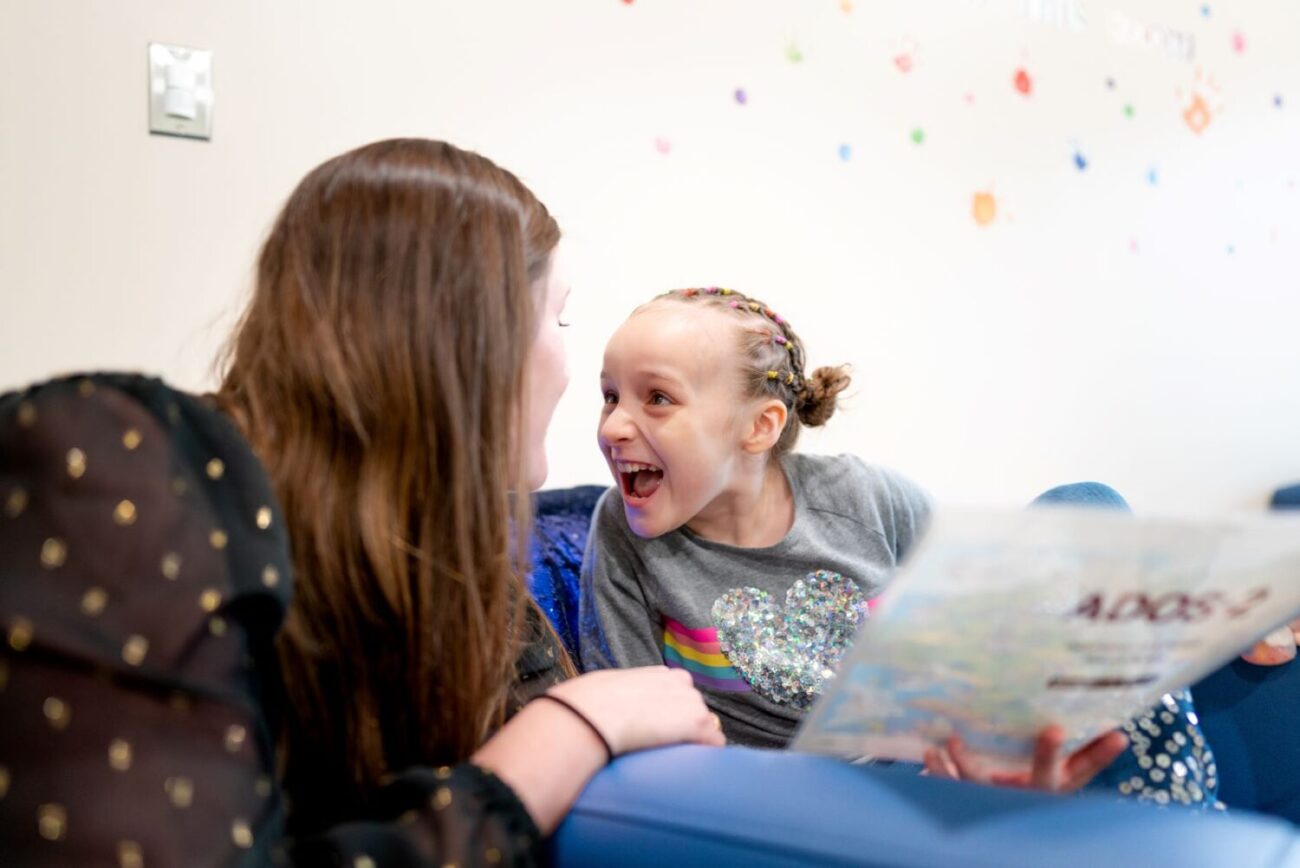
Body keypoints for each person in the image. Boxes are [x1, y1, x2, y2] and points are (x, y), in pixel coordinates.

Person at [0, 139, 724, 867]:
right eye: (559, 320)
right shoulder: (115, 456)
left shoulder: (460, 579)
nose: (578, 378)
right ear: (473, 330)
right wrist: (574, 728)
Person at [578, 287, 1219, 801]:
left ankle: (1173, 810)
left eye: (655, 398)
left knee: (1086, 507)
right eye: (609, 396)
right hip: (793, 803)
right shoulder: (623, 534)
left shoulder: (865, 499)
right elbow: (631, 725)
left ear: (759, 427)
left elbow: (975, 623)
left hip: (935, 766)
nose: (613, 426)